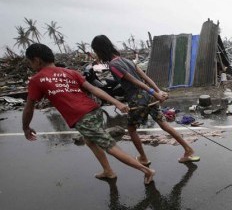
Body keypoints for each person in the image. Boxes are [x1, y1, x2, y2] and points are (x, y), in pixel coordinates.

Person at [22, 43, 155, 184]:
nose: (31, 65)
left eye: (30, 62)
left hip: (82, 117)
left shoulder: (37, 80)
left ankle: (147, 171)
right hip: (95, 110)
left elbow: (29, 107)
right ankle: (108, 171)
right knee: (90, 140)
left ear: (37, 60)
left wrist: (26, 127)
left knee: (110, 146)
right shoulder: (70, 72)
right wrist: (116, 102)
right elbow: (94, 89)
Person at [90, 35, 199, 166]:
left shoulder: (113, 65)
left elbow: (135, 81)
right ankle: (188, 149)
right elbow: (146, 77)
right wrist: (158, 92)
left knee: (131, 129)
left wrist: (156, 92)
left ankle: (143, 158)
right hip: (149, 97)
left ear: (100, 50)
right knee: (164, 125)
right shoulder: (127, 60)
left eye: (96, 51)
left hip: (137, 99)